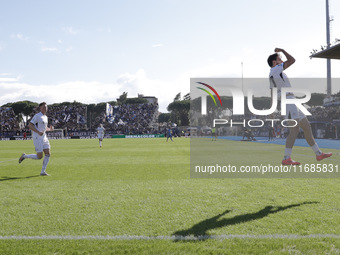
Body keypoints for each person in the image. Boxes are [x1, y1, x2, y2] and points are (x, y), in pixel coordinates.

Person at [268, 48, 332, 165]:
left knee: (307, 127)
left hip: (292, 101)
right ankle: (286, 158)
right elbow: (292, 60)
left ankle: (318, 154)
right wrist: (282, 49)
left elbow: (272, 92)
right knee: (295, 130)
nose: (282, 60)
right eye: (279, 58)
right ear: (274, 62)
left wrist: (272, 109)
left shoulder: (274, 73)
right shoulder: (276, 69)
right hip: (288, 101)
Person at [18, 102, 53, 176]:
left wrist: (50, 129)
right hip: (37, 137)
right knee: (39, 156)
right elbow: (30, 125)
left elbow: (44, 128)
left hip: (44, 137)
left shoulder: (45, 117)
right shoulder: (37, 116)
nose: (45, 108)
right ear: (40, 108)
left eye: (46, 107)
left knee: (48, 153)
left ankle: (42, 172)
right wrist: (38, 132)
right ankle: (24, 156)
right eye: (44, 107)